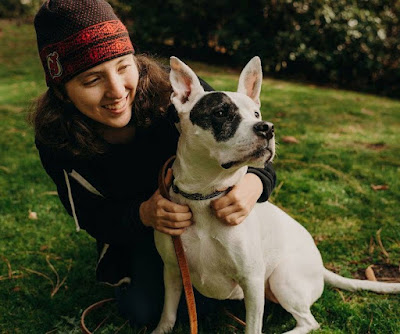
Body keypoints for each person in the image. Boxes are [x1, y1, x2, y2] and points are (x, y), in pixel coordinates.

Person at [30, 0, 276, 328]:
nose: (117, 92)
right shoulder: (57, 140)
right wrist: (144, 213)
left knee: (215, 294)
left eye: (123, 66)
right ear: (62, 92)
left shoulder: (181, 95)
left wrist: (255, 183)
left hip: (212, 216)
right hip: (138, 230)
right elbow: (91, 216)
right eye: (92, 80)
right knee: (145, 311)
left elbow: (245, 141)